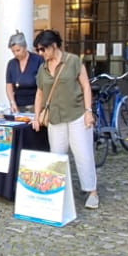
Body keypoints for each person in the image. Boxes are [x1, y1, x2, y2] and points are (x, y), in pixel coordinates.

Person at [33, 29, 99, 209]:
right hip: (55, 117)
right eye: (38, 50)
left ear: (53, 46)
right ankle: (58, 191)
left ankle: (92, 191)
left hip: (76, 114)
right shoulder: (42, 68)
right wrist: (36, 116)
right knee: (57, 155)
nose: (40, 53)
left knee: (83, 154)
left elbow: (85, 86)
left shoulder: (73, 61)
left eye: (42, 49)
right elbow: (39, 93)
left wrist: (88, 111)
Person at [4, 31, 43, 114]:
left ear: (25, 47)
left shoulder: (38, 60)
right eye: (13, 51)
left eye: (18, 50)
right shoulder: (11, 63)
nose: (16, 54)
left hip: (35, 105)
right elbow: (9, 85)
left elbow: (43, 85)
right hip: (18, 105)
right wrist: (12, 102)